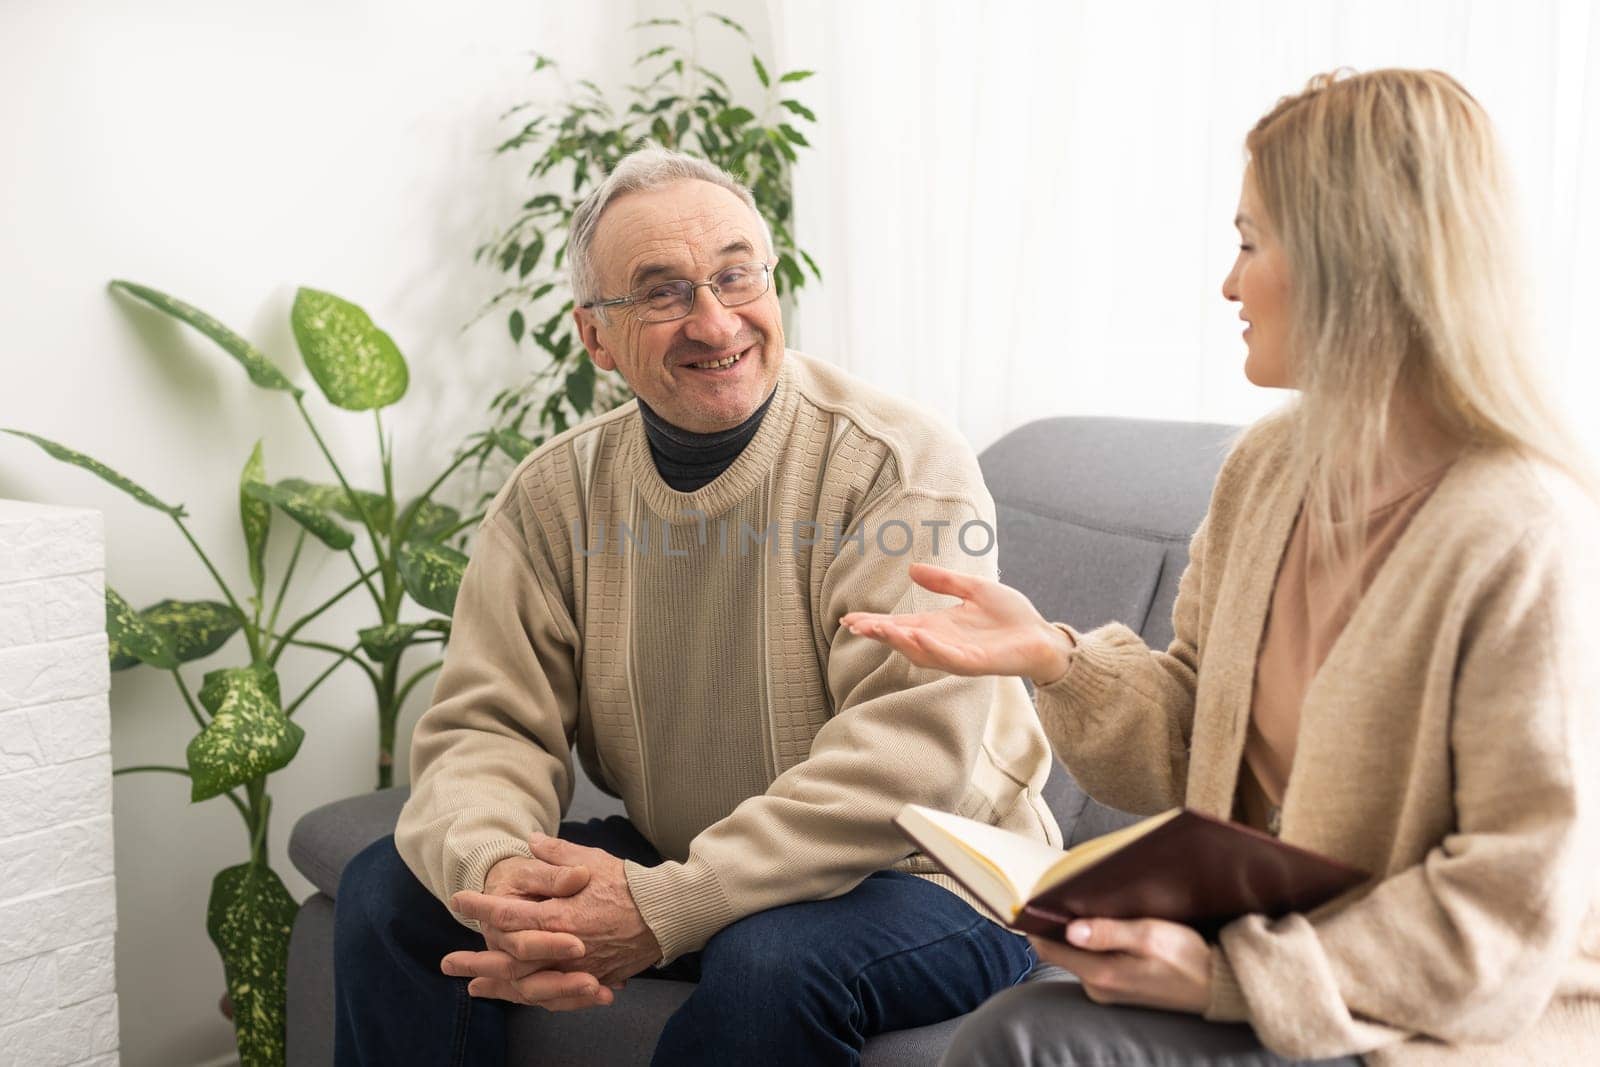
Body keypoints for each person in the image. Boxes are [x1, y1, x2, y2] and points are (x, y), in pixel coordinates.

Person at [844, 69, 1600, 1065]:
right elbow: (1196, 745)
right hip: (1275, 986)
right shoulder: (1270, 469)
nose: (1227, 284)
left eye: (1249, 243)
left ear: (1352, 260)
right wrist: (1052, 661)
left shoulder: (1522, 532)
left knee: (1025, 1039)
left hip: (1436, 1024)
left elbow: (1508, 908)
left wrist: (1228, 976)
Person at [332, 147, 1062, 1066]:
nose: (714, 322)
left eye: (735, 275)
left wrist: (665, 905)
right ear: (595, 336)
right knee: (386, 893)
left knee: (770, 963)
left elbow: (910, 764)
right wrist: (498, 875)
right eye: (662, 292)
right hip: (695, 847)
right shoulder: (553, 496)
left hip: (945, 870)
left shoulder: (899, 467)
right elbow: (488, 729)